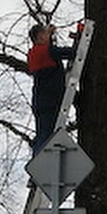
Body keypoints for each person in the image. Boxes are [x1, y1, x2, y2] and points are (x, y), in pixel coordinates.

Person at [27, 23, 75, 155]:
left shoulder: (33, 54)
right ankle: (41, 164)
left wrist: (49, 33)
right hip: (51, 100)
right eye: (44, 34)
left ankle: (37, 162)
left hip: (40, 101)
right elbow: (71, 53)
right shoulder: (47, 51)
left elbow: (48, 48)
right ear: (40, 37)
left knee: (42, 134)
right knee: (47, 136)